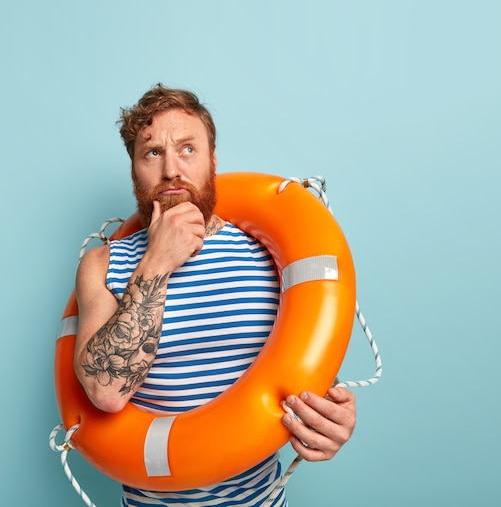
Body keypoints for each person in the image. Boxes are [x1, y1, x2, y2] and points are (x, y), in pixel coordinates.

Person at [73, 83, 357, 507]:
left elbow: (301, 372)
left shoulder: (267, 251)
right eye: (152, 153)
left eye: (187, 149)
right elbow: (105, 391)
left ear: (213, 161)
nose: (171, 169)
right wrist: (157, 262)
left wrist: (330, 420)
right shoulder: (102, 264)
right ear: (135, 170)